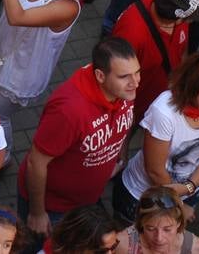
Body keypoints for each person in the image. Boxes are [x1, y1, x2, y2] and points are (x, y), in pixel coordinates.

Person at [22, 38, 141, 237]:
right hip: (53, 208)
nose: (135, 83)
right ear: (100, 76)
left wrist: (120, 155)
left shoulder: (124, 92)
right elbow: (36, 162)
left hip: (87, 200)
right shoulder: (69, 110)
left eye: (137, 73)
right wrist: (37, 212)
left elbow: (127, 119)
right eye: (124, 76)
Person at [0, 0, 106, 133]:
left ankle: (2, 157)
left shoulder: (67, 8)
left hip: (20, 72)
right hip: (2, 48)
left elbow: (16, 16)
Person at [114, 51, 199, 221]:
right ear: (192, 85)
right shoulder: (164, 113)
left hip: (187, 190)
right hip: (144, 196)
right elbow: (155, 172)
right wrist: (178, 204)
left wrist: (190, 187)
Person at [112, 0, 199, 123]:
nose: (192, 22)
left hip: (163, 93)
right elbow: (115, 78)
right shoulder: (131, 34)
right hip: (135, 106)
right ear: (178, 20)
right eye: (192, 17)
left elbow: (182, 48)